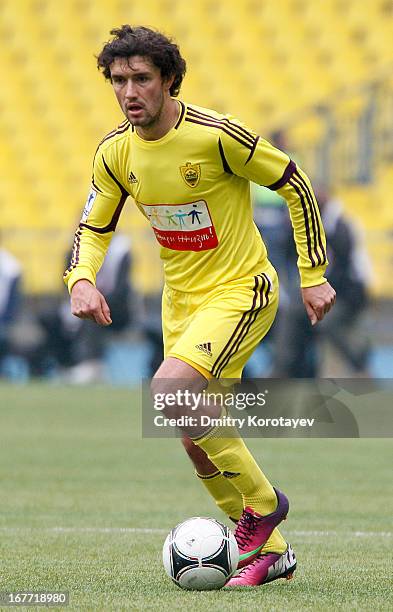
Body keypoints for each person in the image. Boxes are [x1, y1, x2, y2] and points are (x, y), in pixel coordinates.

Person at [63, 26, 336, 587]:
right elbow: (93, 225)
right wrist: (81, 279)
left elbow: (295, 182)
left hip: (242, 290)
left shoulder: (215, 137)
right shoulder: (115, 153)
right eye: (118, 81)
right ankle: (273, 552)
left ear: (168, 80)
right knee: (191, 433)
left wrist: (313, 275)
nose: (128, 91)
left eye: (141, 79)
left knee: (168, 392)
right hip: (181, 305)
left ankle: (264, 505)